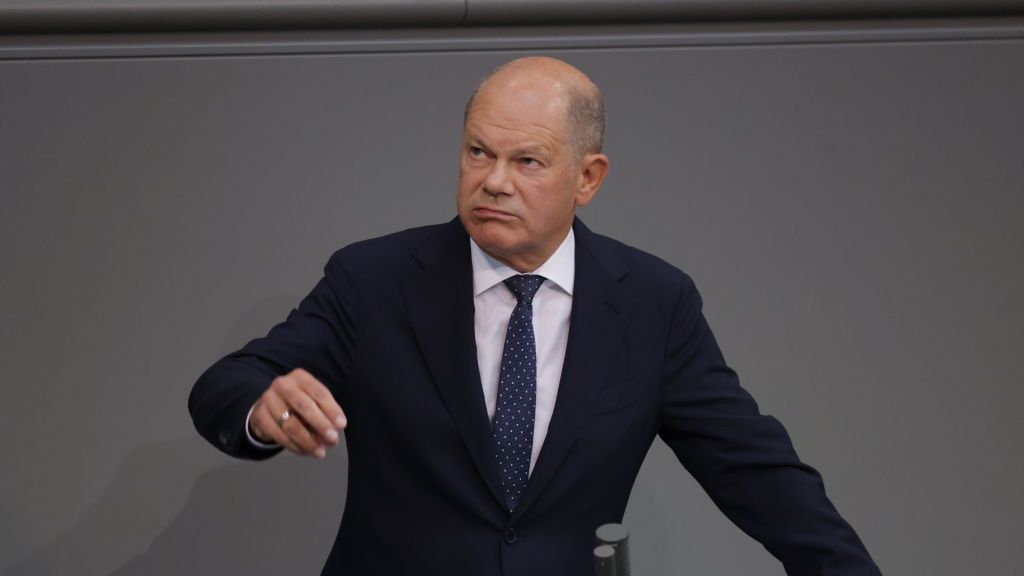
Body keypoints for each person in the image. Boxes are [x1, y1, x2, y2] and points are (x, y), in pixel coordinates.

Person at [189, 56, 882, 576]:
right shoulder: (375, 281)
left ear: (588, 178)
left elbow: (757, 472)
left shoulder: (650, 302)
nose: (494, 180)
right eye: (478, 152)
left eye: (527, 161)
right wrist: (261, 407)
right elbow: (229, 384)